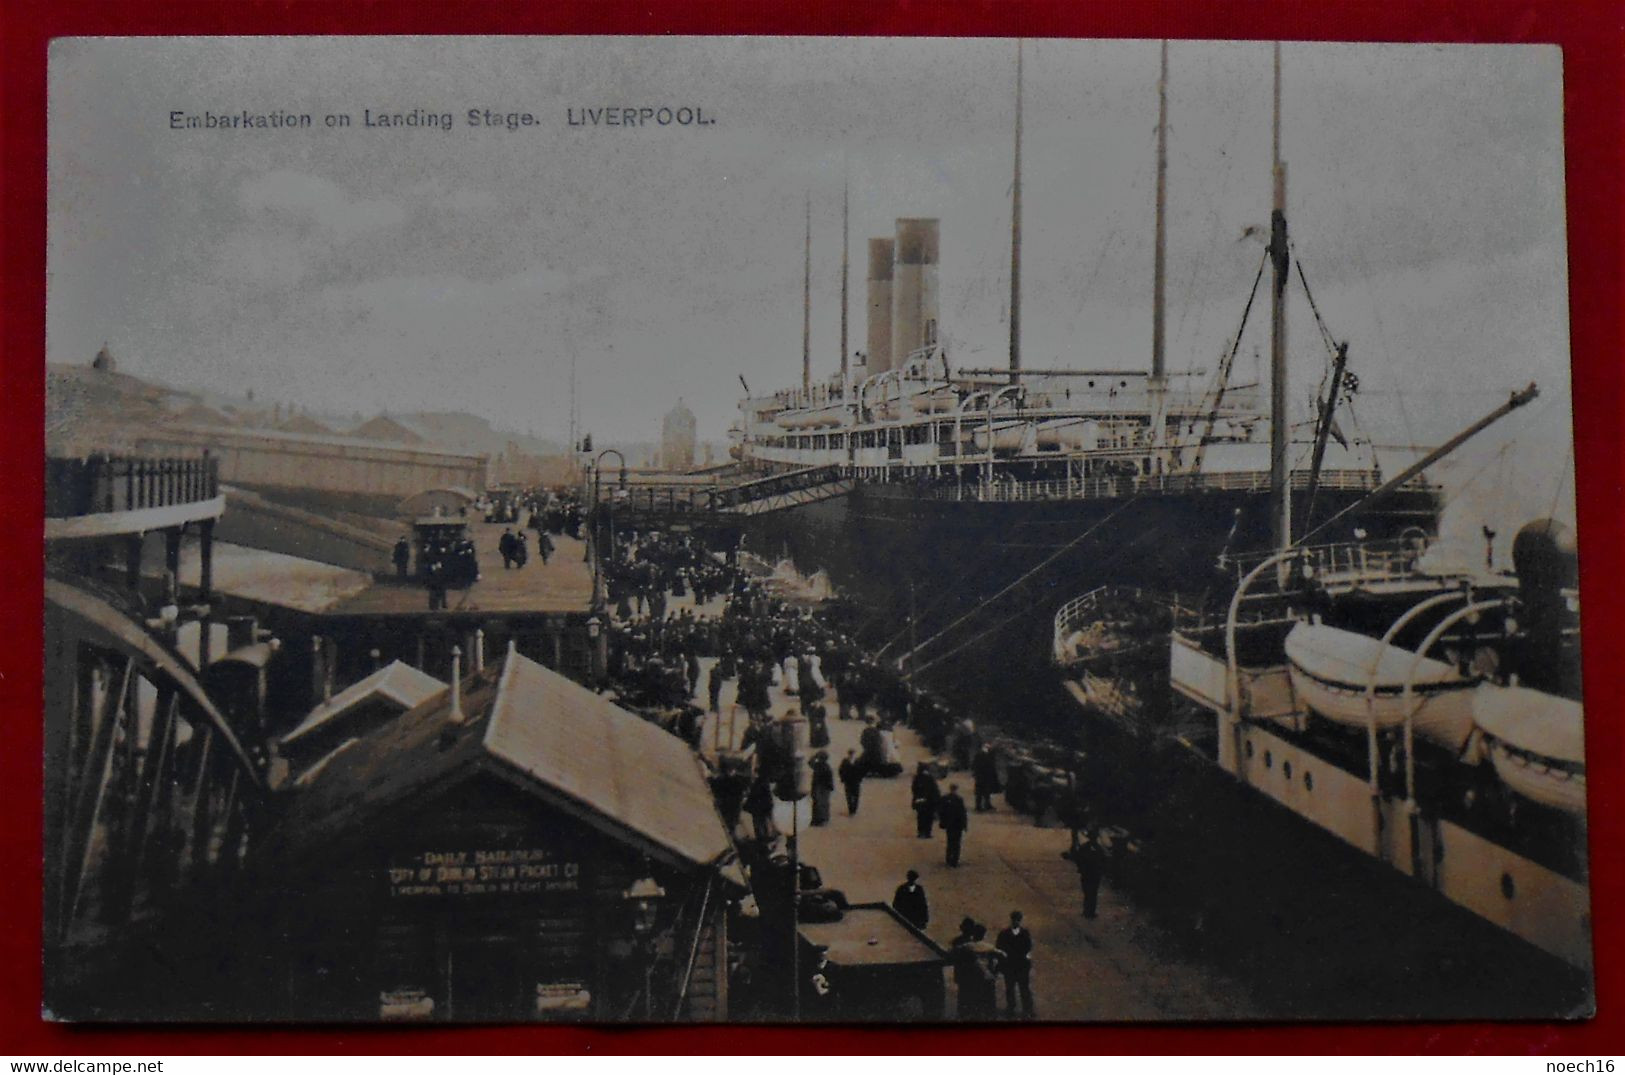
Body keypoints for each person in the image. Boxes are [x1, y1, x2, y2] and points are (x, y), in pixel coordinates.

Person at [949, 919, 1000, 1020]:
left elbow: (951, 954)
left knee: (966, 1002)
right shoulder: (989, 946)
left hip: (967, 977)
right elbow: (1003, 956)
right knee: (984, 1004)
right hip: (985, 978)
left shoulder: (964, 945)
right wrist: (995, 972)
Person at [995, 911, 1035, 1018]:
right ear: (1011, 920)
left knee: (1024, 988)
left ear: (1020, 920)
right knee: (1010, 988)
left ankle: (1027, 1009)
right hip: (1010, 965)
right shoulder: (1004, 933)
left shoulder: (1025, 933)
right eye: (1014, 919)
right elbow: (999, 948)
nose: (1016, 921)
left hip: (1021, 965)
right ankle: (1011, 1007)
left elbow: (1028, 947)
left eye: (1018, 919)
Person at [1063, 829, 1108, 919]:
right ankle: (1090, 911)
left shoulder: (1085, 847)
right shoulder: (1099, 849)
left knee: (1087, 893)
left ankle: (1087, 911)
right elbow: (1104, 861)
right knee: (1093, 893)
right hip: (1095, 874)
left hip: (1086, 873)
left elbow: (1078, 858)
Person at [937, 783, 969, 867]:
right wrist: (965, 825)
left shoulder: (945, 798)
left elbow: (941, 812)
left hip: (949, 824)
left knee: (950, 841)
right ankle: (954, 860)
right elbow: (962, 813)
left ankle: (948, 858)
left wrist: (942, 822)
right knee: (957, 842)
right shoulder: (959, 799)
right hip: (957, 824)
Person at [911, 762, 941, 839]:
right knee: (929, 817)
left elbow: (914, 789)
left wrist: (916, 798)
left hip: (920, 800)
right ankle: (927, 833)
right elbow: (935, 791)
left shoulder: (917, 777)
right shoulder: (930, 778)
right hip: (929, 802)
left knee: (921, 817)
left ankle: (921, 832)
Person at [744, 774, 777, 843]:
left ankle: (764, 837)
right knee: (763, 822)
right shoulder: (762, 781)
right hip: (762, 806)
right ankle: (766, 836)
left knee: (760, 822)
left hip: (759, 806)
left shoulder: (760, 781)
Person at [972, 744, 1001, 812]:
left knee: (982, 792)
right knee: (984, 792)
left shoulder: (979, 755)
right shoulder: (987, 756)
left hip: (981, 776)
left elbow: (974, 765)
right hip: (984, 776)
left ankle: (980, 806)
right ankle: (983, 806)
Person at [809, 751, 834, 826]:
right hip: (821, 787)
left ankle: (819, 820)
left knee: (820, 803)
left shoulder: (820, 766)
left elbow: (810, 762)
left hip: (821, 787)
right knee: (820, 803)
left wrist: (814, 756)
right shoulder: (823, 766)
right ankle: (818, 819)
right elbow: (810, 762)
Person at [837, 749, 864, 816]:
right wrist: (842, 779)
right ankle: (851, 810)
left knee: (856, 795)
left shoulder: (858, 761)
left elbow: (862, 771)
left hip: (856, 781)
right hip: (848, 781)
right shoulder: (845, 761)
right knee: (849, 796)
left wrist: (860, 779)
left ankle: (854, 809)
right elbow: (841, 770)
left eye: (853, 754)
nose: (851, 755)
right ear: (848, 754)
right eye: (850, 754)